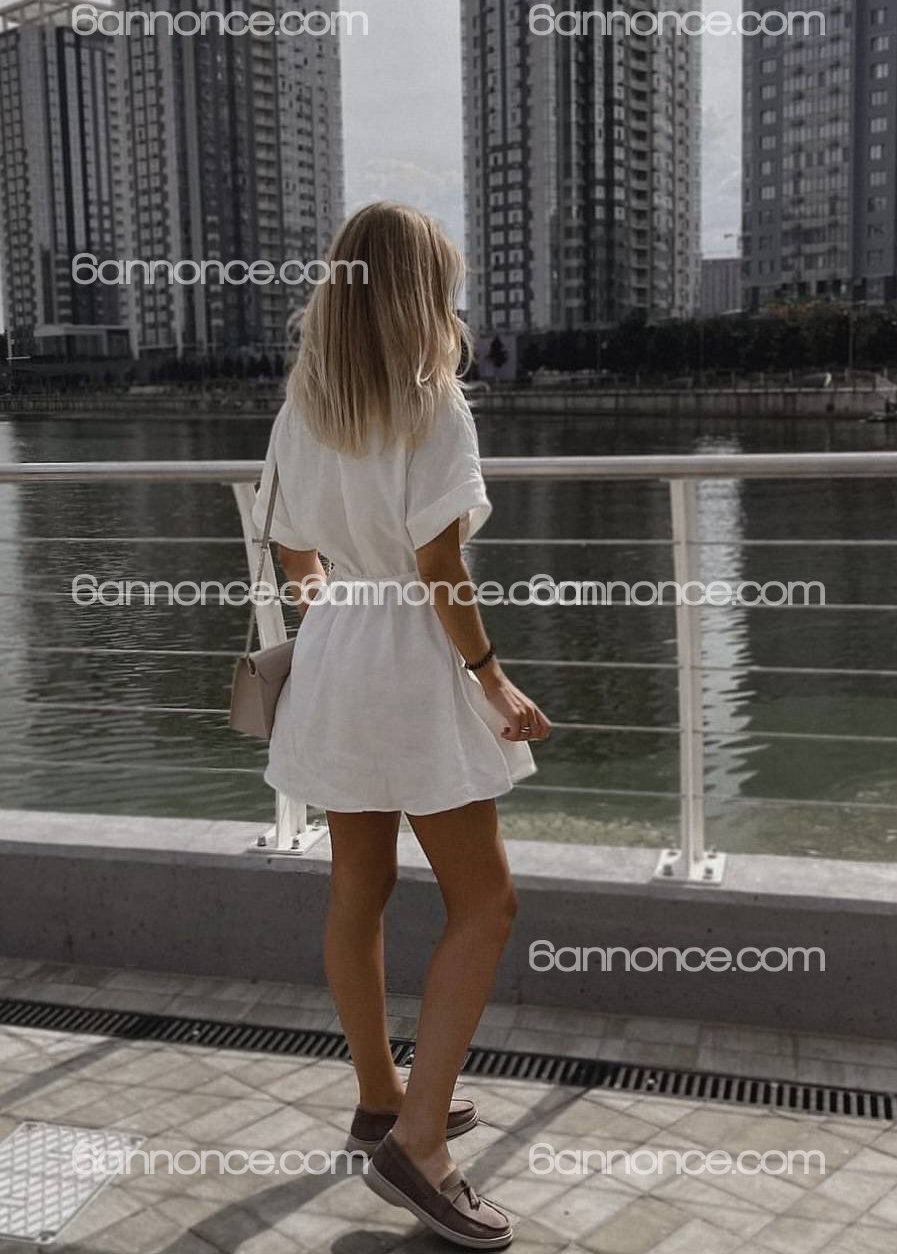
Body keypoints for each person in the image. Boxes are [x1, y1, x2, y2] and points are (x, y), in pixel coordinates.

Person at [252, 201, 550, 1249]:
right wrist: (492, 680)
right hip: (415, 663)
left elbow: (292, 555)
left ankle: (381, 1097)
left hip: (336, 650)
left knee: (358, 887)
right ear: (426, 292)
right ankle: (419, 1147)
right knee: (486, 900)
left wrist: (340, 614)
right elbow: (438, 566)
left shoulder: (303, 405)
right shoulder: (433, 402)